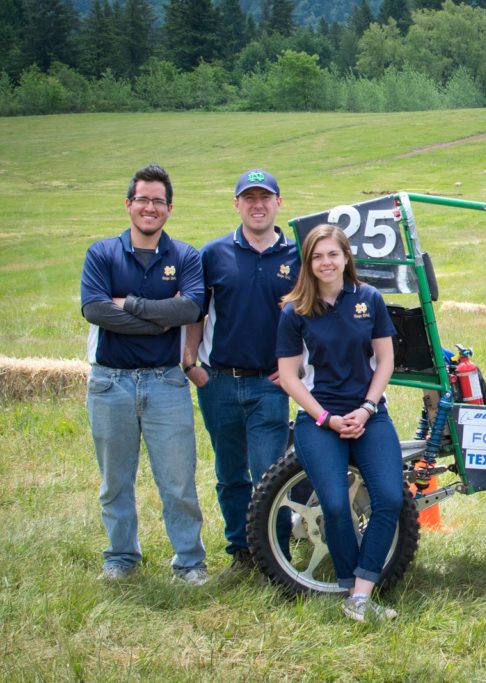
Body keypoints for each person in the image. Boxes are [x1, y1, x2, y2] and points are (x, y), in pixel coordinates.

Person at [80, 164, 208, 585]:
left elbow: (189, 309)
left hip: (165, 382)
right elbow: (96, 310)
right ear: (129, 204)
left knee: (177, 482)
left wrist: (129, 305)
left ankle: (189, 561)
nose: (149, 207)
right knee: (115, 481)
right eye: (142, 199)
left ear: (169, 208)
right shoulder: (102, 253)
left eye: (158, 201)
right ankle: (121, 556)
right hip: (109, 382)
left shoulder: (185, 256)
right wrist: (159, 318)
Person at [276, 224, 403, 622]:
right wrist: (326, 418)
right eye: (317, 256)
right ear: (308, 264)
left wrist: (366, 407)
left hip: (370, 415)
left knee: (390, 499)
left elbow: (385, 361)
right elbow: (290, 376)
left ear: (346, 257)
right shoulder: (294, 311)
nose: (326, 262)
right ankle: (352, 587)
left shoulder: (369, 299)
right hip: (319, 419)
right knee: (333, 504)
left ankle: (361, 594)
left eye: (333, 254)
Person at [183, 169, 298, 570]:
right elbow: (196, 312)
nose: (257, 204)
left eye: (265, 197)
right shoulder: (213, 254)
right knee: (230, 474)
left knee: (270, 474)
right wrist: (191, 362)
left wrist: (293, 371)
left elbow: (311, 317)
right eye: (248, 198)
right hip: (217, 382)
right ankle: (241, 552)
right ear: (236, 205)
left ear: (278, 203)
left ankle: (275, 553)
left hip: (270, 385)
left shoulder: (297, 255)